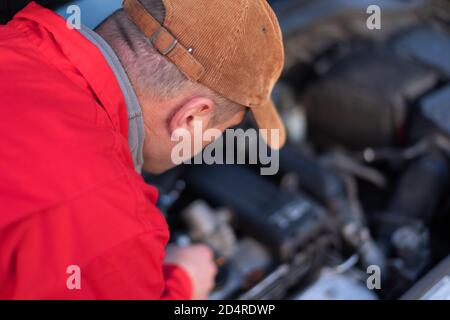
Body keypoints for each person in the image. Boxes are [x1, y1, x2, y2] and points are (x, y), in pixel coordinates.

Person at [0, 0, 285, 299]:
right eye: (220, 131)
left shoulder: (18, 37)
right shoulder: (115, 231)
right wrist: (181, 284)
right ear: (191, 117)